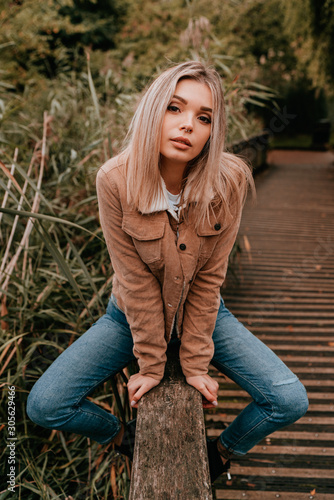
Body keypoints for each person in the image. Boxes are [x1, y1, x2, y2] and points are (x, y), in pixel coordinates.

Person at [26, 61, 309, 484]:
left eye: (204, 117)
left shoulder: (228, 182)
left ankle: (219, 453)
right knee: (44, 404)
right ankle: (125, 438)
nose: (187, 126)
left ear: (213, 130)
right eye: (175, 108)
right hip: (129, 317)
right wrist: (152, 365)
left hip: (205, 313)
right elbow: (134, 281)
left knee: (289, 399)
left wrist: (195, 364)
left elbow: (210, 280)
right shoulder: (115, 180)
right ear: (152, 111)